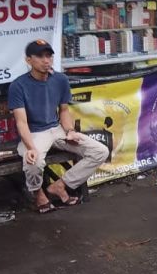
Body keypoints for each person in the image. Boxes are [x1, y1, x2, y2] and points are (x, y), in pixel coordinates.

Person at [8, 39, 109, 214]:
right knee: (33, 161)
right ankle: (38, 194)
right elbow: (21, 122)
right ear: (28, 60)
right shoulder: (18, 85)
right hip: (34, 133)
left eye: (49, 56)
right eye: (40, 56)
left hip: (57, 129)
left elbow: (64, 111)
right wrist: (30, 147)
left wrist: (70, 131)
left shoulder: (60, 79)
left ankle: (60, 185)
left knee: (100, 151)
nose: (46, 60)